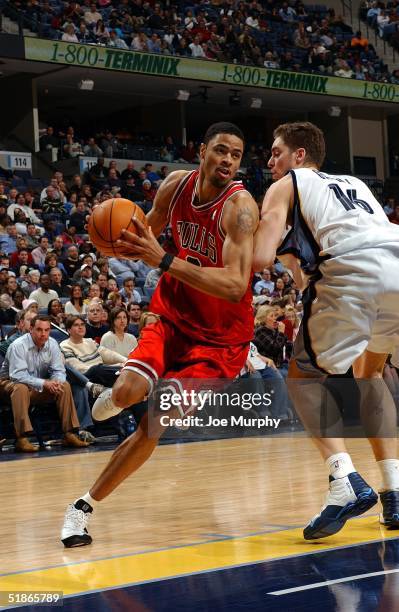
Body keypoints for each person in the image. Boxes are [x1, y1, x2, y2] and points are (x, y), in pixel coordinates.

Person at [61, 122, 259, 547]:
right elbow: (139, 234)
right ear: (202, 150)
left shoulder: (240, 208)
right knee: (131, 390)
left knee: (156, 423)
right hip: (173, 315)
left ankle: (81, 508)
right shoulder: (174, 186)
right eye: (220, 150)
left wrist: (163, 258)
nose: (227, 160)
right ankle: (114, 396)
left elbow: (235, 285)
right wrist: (111, 240)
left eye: (236, 155)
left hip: (220, 340)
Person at [253, 121, 399, 539]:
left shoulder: (287, 184)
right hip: (395, 264)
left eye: (276, 151)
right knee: (369, 374)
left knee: (302, 379)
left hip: (355, 270)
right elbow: (301, 273)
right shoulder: (354, 183)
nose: (270, 160)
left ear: (299, 156)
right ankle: (395, 493)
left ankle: (344, 481)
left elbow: (262, 257)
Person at [0, 315, 88, 452]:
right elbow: (17, 375)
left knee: (64, 386)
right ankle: (21, 439)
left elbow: (58, 370)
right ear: (31, 329)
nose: (43, 334)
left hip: (36, 386)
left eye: (47, 330)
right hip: (9, 385)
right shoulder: (18, 345)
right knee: (21, 388)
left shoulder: (52, 343)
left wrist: (56, 382)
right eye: (39, 330)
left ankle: (69, 434)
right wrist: (45, 383)